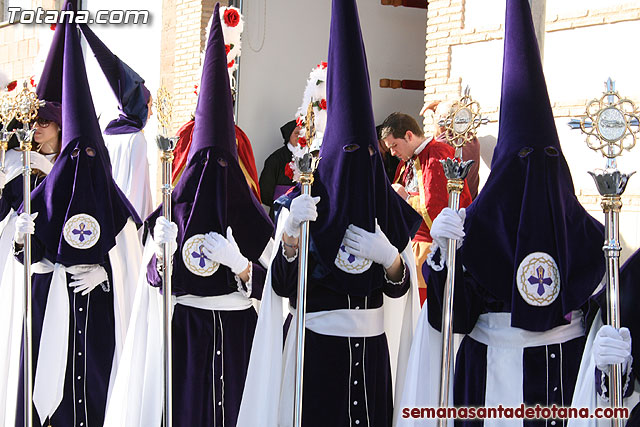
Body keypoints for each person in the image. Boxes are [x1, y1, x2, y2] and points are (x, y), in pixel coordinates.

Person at [396, 0, 606, 425]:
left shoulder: (590, 236)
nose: (534, 174)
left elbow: (604, 306)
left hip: (562, 386)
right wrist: (445, 255)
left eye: (547, 159)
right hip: (488, 384)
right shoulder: (476, 230)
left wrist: (611, 342)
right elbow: (446, 318)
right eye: (523, 159)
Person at [237, 0, 422, 425]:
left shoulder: (386, 205)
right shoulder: (304, 202)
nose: (357, 165)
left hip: (372, 352)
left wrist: (391, 260)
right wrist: (289, 238)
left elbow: (398, 290)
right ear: (330, 159)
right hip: (318, 354)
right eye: (347, 155)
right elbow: (283, 288)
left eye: (366, 155)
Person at [102, 5, 273, 427]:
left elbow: (280, 290)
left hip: (239, 338)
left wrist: (245, 269)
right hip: (188, 336)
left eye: (223, 163)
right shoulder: (175, 208)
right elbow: (154, 286)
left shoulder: (250, 215)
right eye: (204, 162)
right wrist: (160, 253)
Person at [7, 8, 142, 427]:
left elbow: (129, 249)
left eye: (49, 122)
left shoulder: (101, 184)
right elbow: (23, 256)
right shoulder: (27, 181)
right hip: (49, 302)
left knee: (94, 389)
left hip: (95, 306)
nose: (41, 131)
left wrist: (110, 274)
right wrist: (20, 237)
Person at [381, 112, 472, 305]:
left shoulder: (437, 154)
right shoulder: (408, 162)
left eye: (394, 146)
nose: (392, 153)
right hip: (410, 246)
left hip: (430, 248)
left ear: (409, 135)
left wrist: (404, 198)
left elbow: (436, 207)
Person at [79, 24, 154, 220]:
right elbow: (136, 192)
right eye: (150, 106)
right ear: (140, 106)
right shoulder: (136, 138)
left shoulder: (107, 134)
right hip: (127, 220)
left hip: (106, 214)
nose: (151, 113)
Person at [422, 99, 481, 200]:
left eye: (434, 115)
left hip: (447, 206)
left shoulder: (439, 147)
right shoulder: (473, 140)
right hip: (469, 205)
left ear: (441, 120)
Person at [259, 119, 302, 218]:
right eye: (296, 133)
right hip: (280, 212)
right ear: (288, 136)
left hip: (303, 212)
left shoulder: (310, 157)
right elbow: (265, 191)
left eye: (302, 133)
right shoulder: (275, 159)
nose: (300, 136)